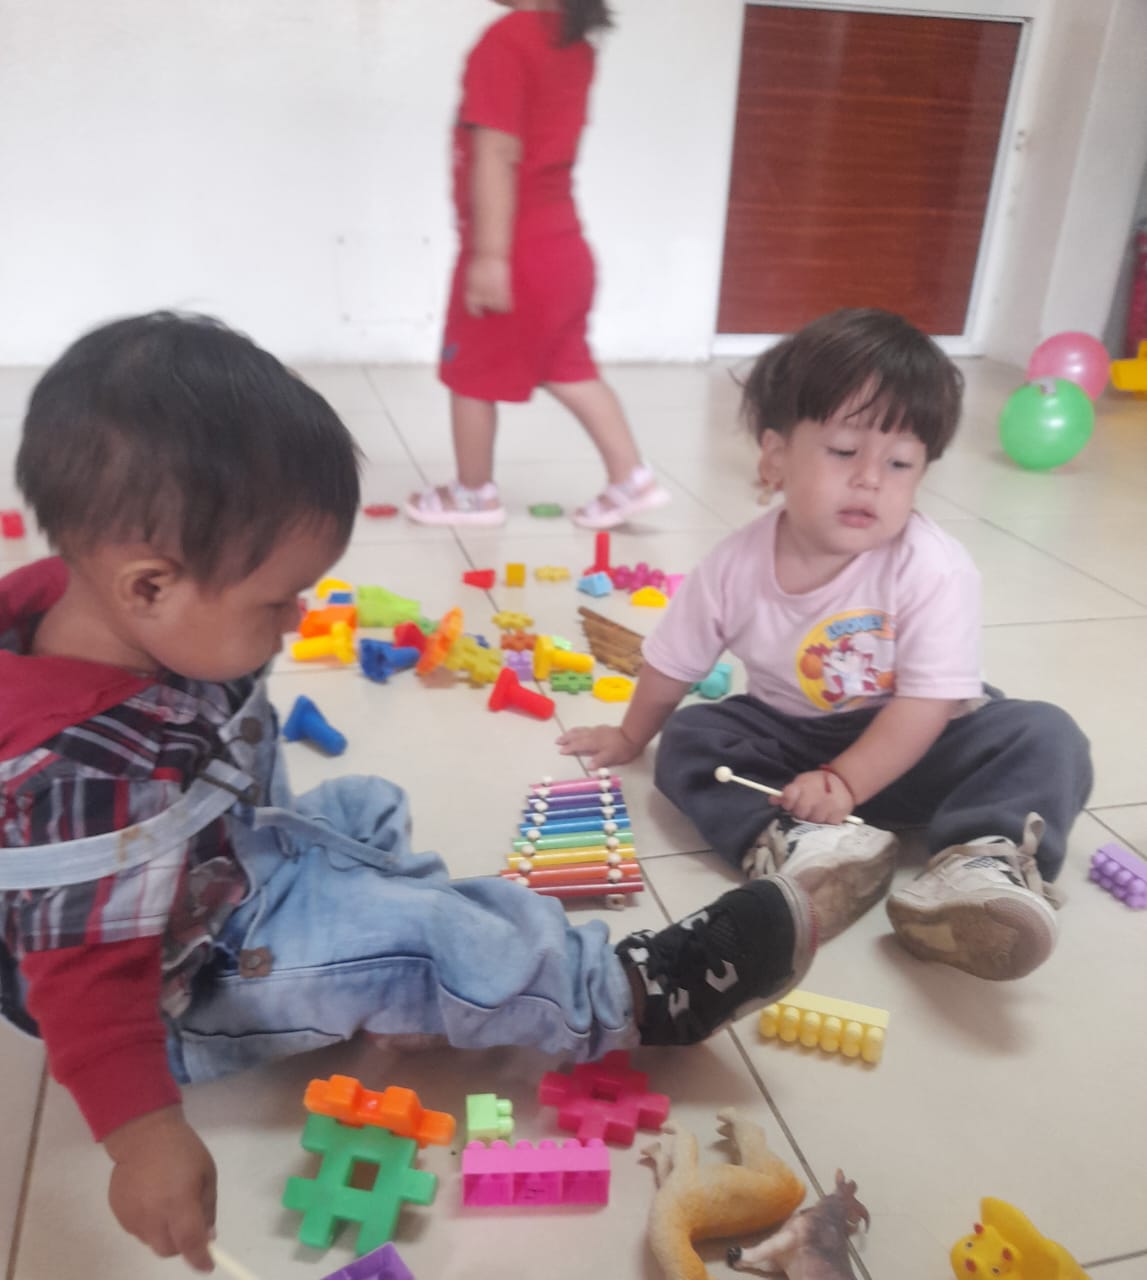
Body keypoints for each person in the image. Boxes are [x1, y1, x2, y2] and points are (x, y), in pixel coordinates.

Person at [0, 312, 815, 1273]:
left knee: (369, 804)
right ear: (148, 587)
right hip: (181, 984)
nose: (297, 618)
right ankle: (635, 992)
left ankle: (406, 980)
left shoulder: (94, 597)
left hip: (210, 866)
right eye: (275, 601)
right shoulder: (86, 779)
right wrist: (142, 1139)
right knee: (426, 936)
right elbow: (84, 983)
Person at [560, 308, 1094, 982]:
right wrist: (631, 735)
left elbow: (928, 703)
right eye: (844, 451)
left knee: (1046, 734)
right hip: (789, 748)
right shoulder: (732, 567)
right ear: (775, 456)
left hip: (924, 742)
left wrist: (847, 780)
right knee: (692, 738)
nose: (870, 478)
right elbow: (673, 663)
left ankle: (980, 867)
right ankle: (806, 845)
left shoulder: (933, 566)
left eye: (899, 462)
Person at [405, 0, 669, 530]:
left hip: (513, 249)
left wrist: (489, 256)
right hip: (562, 246)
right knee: (569, 366)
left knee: (471, 373)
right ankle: (631, 480)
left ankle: (473, 495)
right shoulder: (571, 43)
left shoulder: (508, 39)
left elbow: (497, 152)